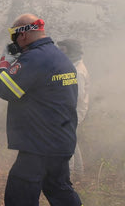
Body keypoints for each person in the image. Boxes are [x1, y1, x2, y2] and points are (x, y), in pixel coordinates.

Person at [0, 13, 82, 206]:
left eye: (13, 36)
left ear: (22, 35)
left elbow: (6, 89)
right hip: (61, 141)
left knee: (19, 196)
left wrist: (4, 64)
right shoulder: (61, 58)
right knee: (59, 189)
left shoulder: (35, 58)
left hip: (39, 145)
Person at [57, 39, 90, 178]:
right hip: (71, 110)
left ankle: (68, 175)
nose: (60, 52)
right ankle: (78, 173)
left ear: (71, 51)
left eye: (63, 49)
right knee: (71, 139)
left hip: (73, 111)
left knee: (66, 141)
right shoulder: (73, 65)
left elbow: (77, 96)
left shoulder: (77, 71)